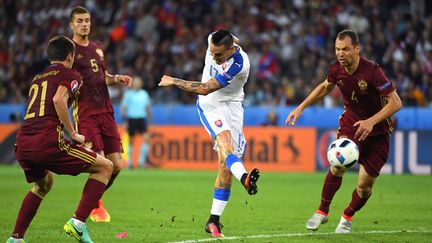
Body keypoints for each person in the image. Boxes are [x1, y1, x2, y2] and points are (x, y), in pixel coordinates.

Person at [285, 29, 402, 233]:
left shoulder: (372, 71)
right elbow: (324, 87)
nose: (340, 53)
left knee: (364, 187)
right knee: (337, 165)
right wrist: (300, 107)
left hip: (378, 131)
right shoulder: (336, 70)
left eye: (345, 49)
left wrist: (371, 122)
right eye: (337, 49)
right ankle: (322, 211)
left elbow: (396, 103)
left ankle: (347, 216)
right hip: (351, 125)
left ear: (357, 49)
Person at [7, 36, 113, 243]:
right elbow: (58, 99)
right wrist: (72, 133)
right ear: (71, 56)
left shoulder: (37, 79)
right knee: (106, 167)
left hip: (23, 144)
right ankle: (78, 223)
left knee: (43, 185)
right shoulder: (71, 74)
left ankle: (16, 238)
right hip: (47, 143)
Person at [159, 29, 260, 238]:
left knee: (225, 165)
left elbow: (205, 87)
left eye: (219, 55)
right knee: (225, 144)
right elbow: (231, 38)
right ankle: (244, 177)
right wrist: (231, 39)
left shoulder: (240, 64)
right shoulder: (214, 39)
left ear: (232, 50)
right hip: (211, 105)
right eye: (212, 52)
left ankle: (213, 221)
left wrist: (174, 81)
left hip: (232, 105)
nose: (213, 57)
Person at [69, 6, 132, 223]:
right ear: (72, 25)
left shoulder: (96, 48)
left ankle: (95, 198)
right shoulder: (70, 51)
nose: (84, 24)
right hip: (86, 113)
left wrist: (117, 78)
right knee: (100, 163)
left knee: (116, 165)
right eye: (79, 21)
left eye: (87, 20)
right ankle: (88, 209)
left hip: (106, 112)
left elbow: (102, 77)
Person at [120, 76, 152, 168]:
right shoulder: (128, 94)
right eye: (136, 82)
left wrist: (150, 121)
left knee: (146, 139)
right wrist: (125, 121)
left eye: (139, 82)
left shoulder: (144, 94)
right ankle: (129, 162)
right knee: (131, 141)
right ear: (133, 84)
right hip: (131, 119)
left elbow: (148, 107)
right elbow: (123, 108)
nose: (137, 84)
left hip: (142, 118)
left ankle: (141, 161)